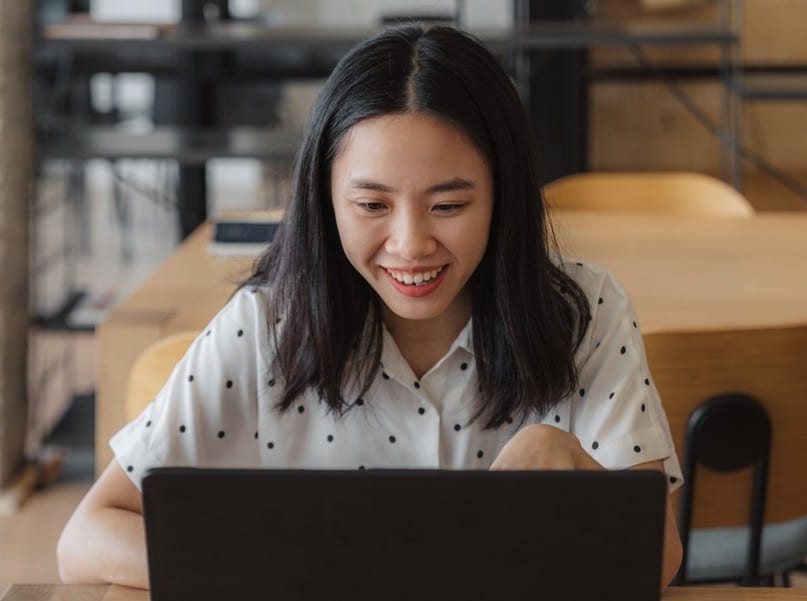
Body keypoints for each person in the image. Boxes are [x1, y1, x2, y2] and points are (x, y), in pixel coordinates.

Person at [57, 23, 684, 590]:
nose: (410, 244)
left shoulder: (584, 311)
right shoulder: (265, 327)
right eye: (372, 206)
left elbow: (660, 557)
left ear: (504, 195)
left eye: (448, 206)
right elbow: (85, 538)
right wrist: (278, 574)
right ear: (324, 200)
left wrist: (568, 457)